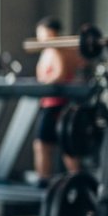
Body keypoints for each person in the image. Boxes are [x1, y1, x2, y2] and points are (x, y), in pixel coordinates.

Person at [32, 16, 84, 185]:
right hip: (51, 103)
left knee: (47, 145)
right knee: (62, 146)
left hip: (57, 104)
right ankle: (73, 181)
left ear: (51, 33)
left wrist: (45, 83)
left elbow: (60, 75)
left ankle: (46, 182)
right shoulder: (49, 51)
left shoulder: (57, 49)